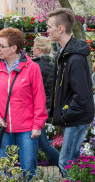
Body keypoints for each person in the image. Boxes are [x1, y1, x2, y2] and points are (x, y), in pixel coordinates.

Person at [0, 27, 48, 179]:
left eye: (1, 45)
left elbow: (39, 98)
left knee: (28, 168)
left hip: (27, 128)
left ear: (13, 48)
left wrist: (37, 125)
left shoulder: (32, 68)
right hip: (2, 127)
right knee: (5, 169)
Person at [47, 8, 95, 176]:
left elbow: (81, 94)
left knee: (65, 161)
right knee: (71, 160)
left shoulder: (74, 57)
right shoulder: (64, 54)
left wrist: (66, 113)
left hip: (76, 117)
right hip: (73, 116)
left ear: (61, 29)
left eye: (50, 26)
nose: (47, 30)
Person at [32, 36, 59, 167]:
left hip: (37, 108)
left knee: (42, 144)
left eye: (34, 47)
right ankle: (33, 167)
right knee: (35, 142)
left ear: (39, 49)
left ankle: (64, 165)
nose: (32, 49)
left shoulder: (35, 65)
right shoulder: (52, 63)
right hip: (47, 106)